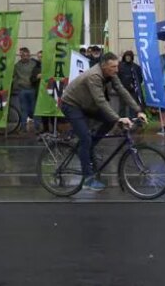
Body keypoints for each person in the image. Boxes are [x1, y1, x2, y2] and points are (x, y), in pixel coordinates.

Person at [60, 52, 147, 191]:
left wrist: (138, 110)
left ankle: (89, 148)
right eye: (113, 67)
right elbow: (100, 101)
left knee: (108, 122)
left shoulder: (111, 74)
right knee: (86, 139)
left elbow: (122, 91)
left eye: (117, 66)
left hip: (87, 104)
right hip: (72, 105)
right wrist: (119, 118)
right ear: (104, 66)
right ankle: (87, 179)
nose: (117, 70)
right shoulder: (94, 76)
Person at [12, 47, 38, 133]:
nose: (23, 56)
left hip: (32, 89)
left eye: (25, 54)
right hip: (22, 90)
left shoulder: (33, 64)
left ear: (28, 54)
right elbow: (13, 76)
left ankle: (37, 126)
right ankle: (23, 127)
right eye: (21, 54)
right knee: (24, 110)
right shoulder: (17, 66)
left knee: (33, 109)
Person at [117, 50, 144, 118]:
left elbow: (139, 79)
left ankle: (133, 121)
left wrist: (134, 85)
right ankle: (122, 122)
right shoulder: (120, 66)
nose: (128, 58)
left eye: (129, 56)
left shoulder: (136, 67)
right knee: (122, 107)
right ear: (124, 57)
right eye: (126, 56)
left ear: (132, 57)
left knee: (132, 107)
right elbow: (117, 77)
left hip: (133, 91)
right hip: (122, 89)